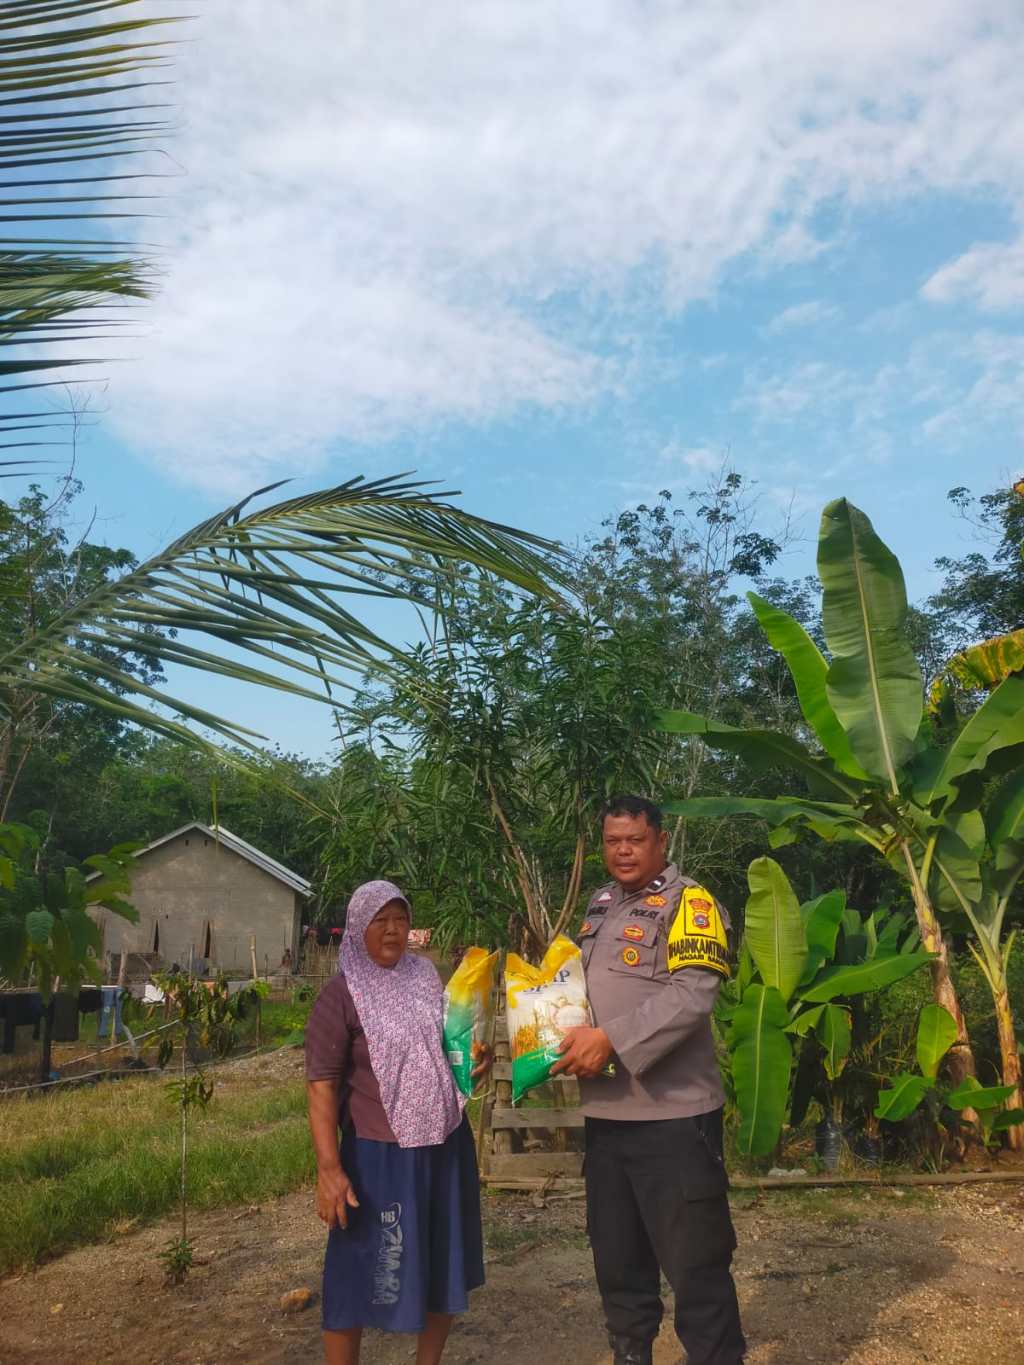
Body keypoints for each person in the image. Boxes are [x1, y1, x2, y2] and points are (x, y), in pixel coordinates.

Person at [552, 795, 746, 1365]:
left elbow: (692, 996)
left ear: (661, 841)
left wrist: (611, 1040)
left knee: (696, 1268)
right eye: (613, 841)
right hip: (607, 1120)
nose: (623, 851)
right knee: (619, 1265)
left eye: (635, 840)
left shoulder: (691, 902)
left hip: (674, 1119)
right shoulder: (601, 903)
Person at [305, 881, 486, 1365]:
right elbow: (321, 1086)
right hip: (378, 1155)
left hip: (445, 1143)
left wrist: (472, 1061)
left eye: (400, 919)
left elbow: (447, 1046)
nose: (392, 930)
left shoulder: (425, 976)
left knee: (442, 1263)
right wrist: (329, 1168)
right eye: (379, 920)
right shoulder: (341, 995)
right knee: (355, 1272)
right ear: (357, 928)